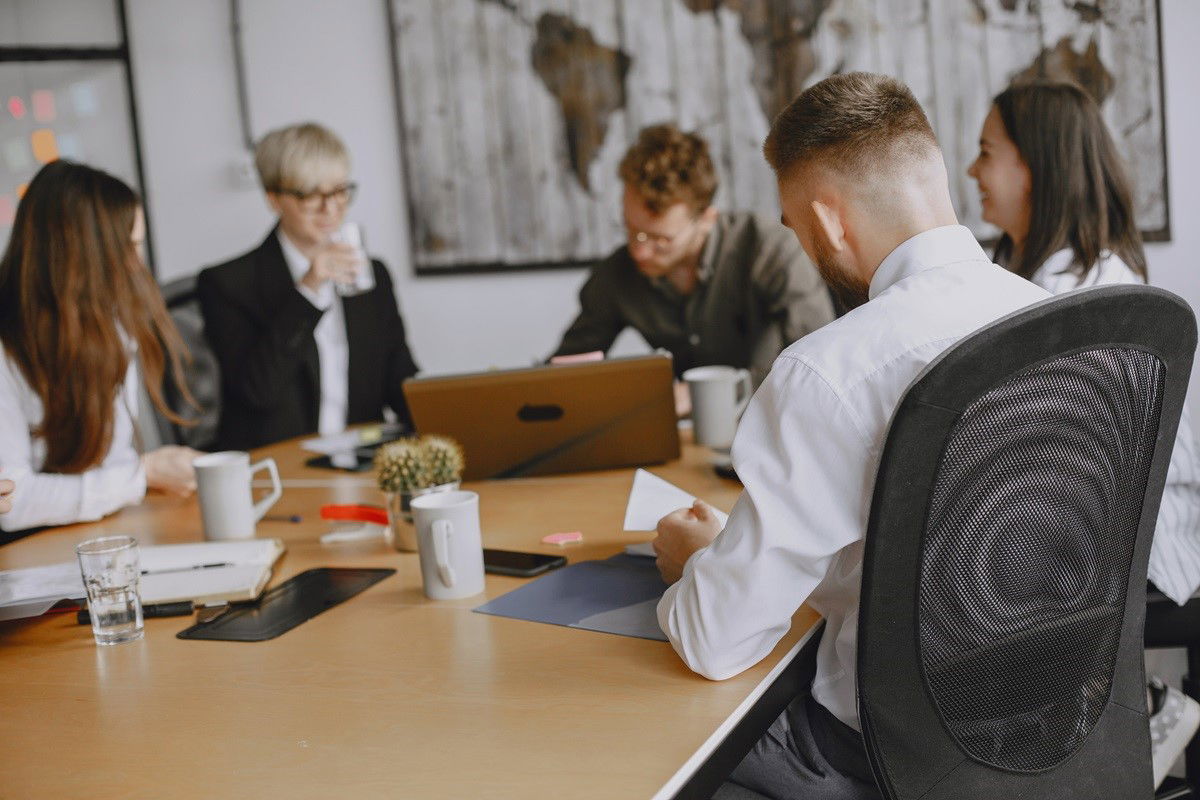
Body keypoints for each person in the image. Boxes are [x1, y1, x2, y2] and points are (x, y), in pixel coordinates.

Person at [651, 73, 1051, 800]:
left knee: (656, 743)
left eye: (794, 225)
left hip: (875, 760)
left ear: (830, 223)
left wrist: (695, 564)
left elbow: (716, 641)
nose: (802, 244)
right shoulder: (1065, 325)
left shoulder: (826, 373)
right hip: (1052, 728)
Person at [968, 79, 1200, 787]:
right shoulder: (1014, 268)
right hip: (1073, 505)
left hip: (1128, 522)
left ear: (1037, 166)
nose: (971, 172)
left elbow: (1061, 458)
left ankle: (1131, 715)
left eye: (985, 154)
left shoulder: (1087, 290)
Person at [551, 123, 835, 388]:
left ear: (706, 220)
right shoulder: (616, 276)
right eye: (631, 229)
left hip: (781, 422)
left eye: (661, 239)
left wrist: (707, 393)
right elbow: (563, 374)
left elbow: (821, 361)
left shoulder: (771, 251)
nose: (639, 250)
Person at [0, 161, 200, 534]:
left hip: (103, 533)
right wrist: (143, 475)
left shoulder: (108, 323)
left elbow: (114, 459)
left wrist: (139, 475)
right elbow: (11, 503)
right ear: (77, 254)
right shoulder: (7, 350)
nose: (137, 266)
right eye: (127, 248)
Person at [197, 123, 418, 451]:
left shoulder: (373, 275)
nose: (330, 209)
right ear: (274, 199)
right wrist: (309, 291)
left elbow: (399, 377)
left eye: (340, 191)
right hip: (280, 469)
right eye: (311, 195)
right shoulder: (228, 284)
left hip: (361, 458)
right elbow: (257, 391)